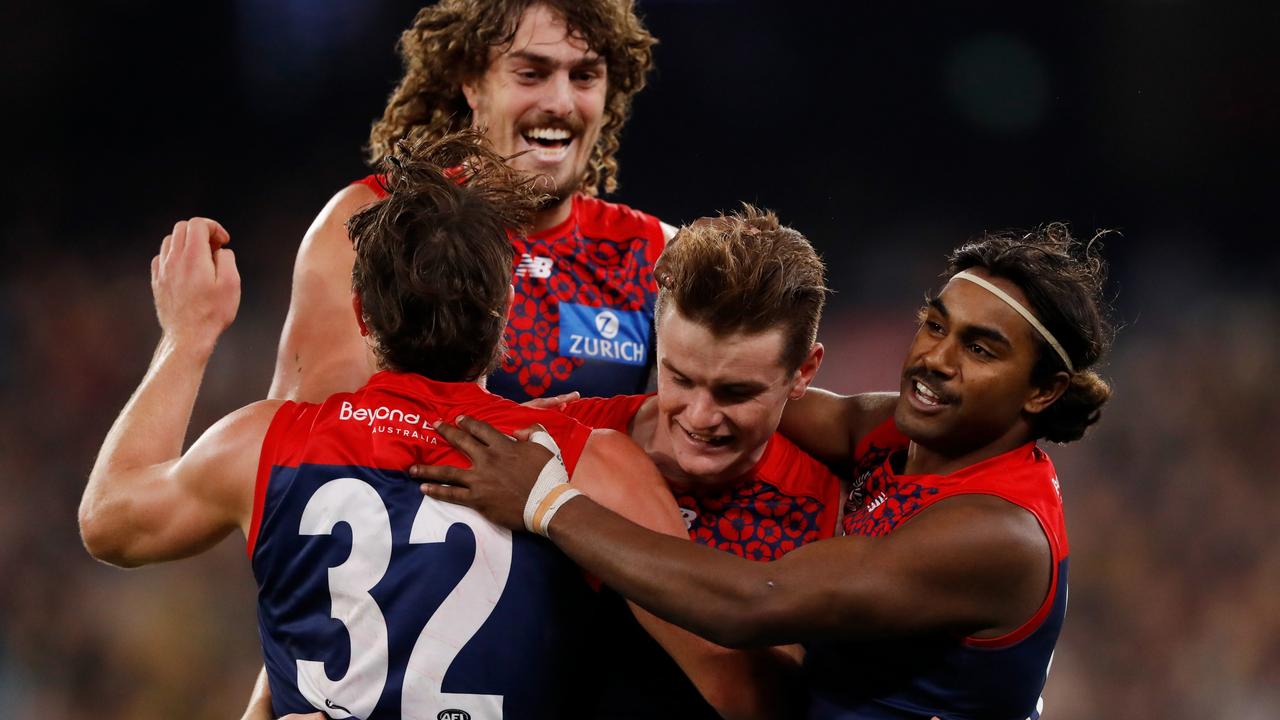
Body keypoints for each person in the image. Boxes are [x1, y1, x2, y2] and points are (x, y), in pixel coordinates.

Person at [78, 134, 778, 719]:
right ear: (505, 316)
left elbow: (109, 520)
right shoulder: (589, 464)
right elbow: (740, 689)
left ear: (361, 313)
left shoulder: (264, 442)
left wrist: (188, 336)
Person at [414, 223, 1116, 719]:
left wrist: (548, 502)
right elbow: (740, 400)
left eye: (981, 349)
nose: (936, 359)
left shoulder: (995, 532)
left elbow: (752, 602)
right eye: (936, 325)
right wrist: (570, 422)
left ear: (1043, 391)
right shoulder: (899, 431)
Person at [271, 0, 675, 406]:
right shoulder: (375, 223)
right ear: (473, 83)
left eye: (585, 76)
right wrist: (520, 435)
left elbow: (702, 442)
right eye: (531, 74)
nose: (560, 103)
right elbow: (308, 451)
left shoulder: (658, 258)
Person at [557, 206, 875, 718]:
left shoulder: (836, 511)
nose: (700, 417)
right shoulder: (559, 438)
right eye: (679, 378)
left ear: (803, 372)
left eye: (736, 392)